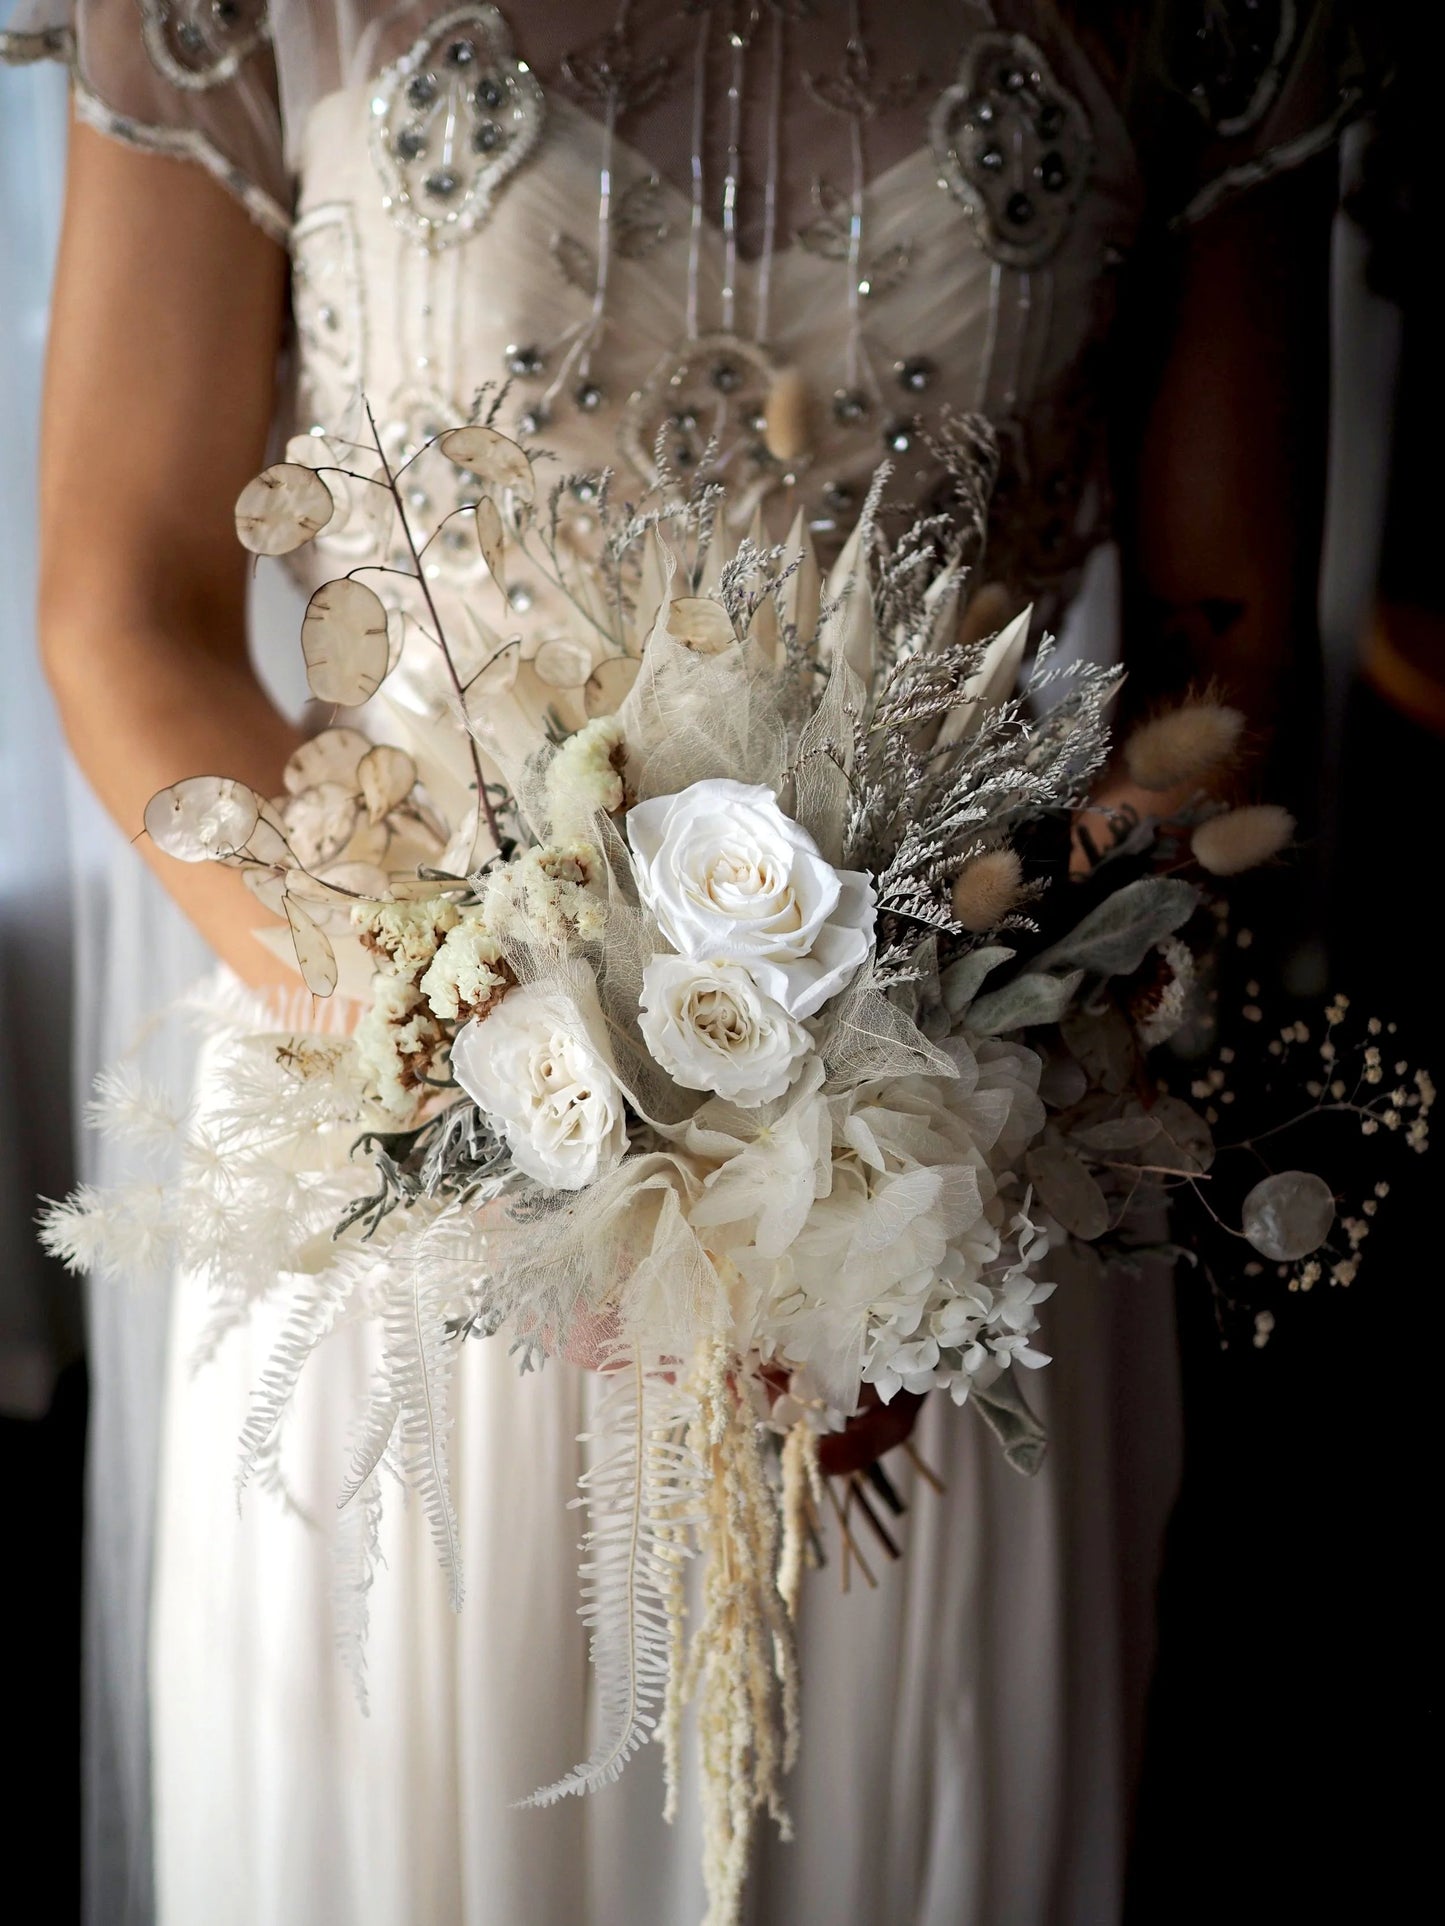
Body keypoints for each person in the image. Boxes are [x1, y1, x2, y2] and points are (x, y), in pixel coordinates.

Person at [2, 2, 1360, 1920]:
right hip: (411, 1170)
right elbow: (119, 601)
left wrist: (930, 1146)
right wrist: (453, 1055)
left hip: (946, 1199)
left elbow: (1223, 649)